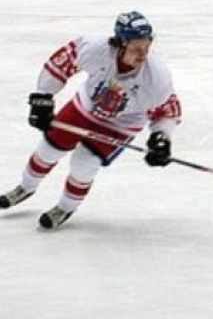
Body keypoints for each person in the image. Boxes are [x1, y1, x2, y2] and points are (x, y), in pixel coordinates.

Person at [0, 12, 181, 229]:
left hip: (122, 123)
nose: (142, 55)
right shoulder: (96, 49)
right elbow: (62, 63)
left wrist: (161, 138)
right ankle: (25, 187)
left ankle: (65, 208)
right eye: (136, 49)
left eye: (146, 47)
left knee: (83, 164)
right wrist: (43, 97)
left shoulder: (156, 75)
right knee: (48, 149)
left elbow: (167, 111)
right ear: (121, 44)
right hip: (84, 107)